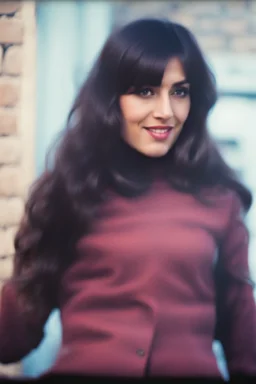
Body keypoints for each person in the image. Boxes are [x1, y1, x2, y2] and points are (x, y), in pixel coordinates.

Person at [0, 17, 255, 380]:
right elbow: (14, 335)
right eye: (146, 91)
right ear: (111, 100)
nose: (166, 111)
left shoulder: (219, 198)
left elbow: (241, 326)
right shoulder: (69, 190)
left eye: (179, 91)